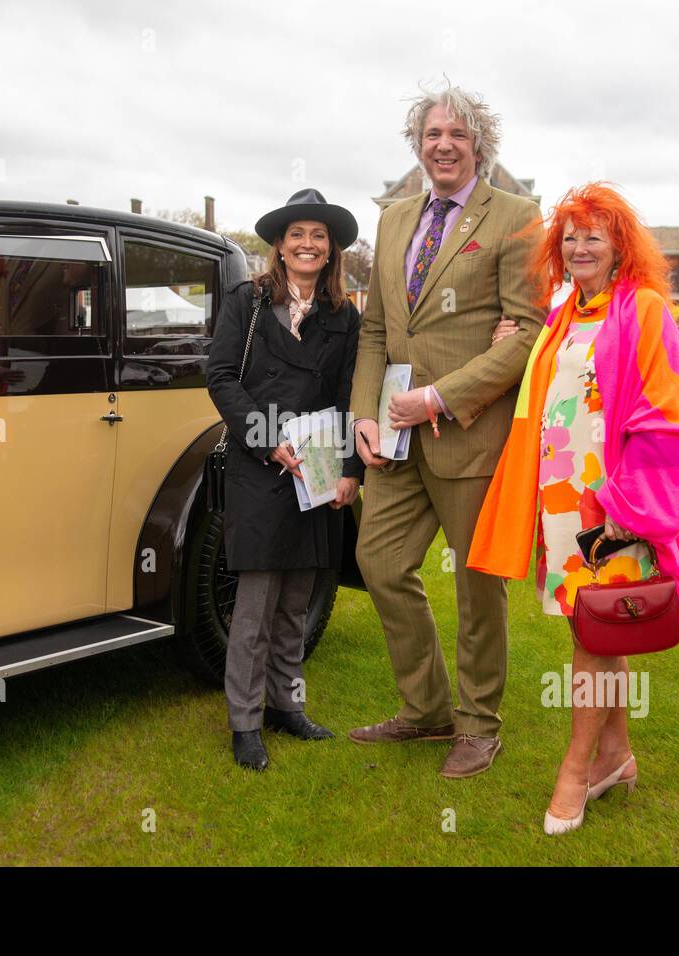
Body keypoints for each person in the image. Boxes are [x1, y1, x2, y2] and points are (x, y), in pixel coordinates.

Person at [473, 183, 679, 834]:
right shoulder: (561, 318)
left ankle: (576, 769)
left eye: (593, 236)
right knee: (603, 628)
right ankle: (617, 755)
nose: (579, 246)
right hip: (561, 504)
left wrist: (627, 504)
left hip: (613, 507)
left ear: (618, 246)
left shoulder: (647, 310)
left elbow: (672, 414)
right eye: (570, 236)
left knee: (589, 636)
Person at [346, 84, 544, 778]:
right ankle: (426, 710)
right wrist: (364, 413)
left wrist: (438, 397)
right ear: (418, 144)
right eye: (432, 134)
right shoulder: (395, 219)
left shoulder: (517, 217)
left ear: (479, 144)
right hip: (395, 441)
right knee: (380, 563)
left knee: (478, 584)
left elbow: (526, 336)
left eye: (458, 134)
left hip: (469, 434)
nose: (444, 145)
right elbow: (375, 329)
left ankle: (479, 724)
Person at [206, 188, 364, 771]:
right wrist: (267, 439)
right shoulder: (245, 302)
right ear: (279, 245)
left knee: (297, 602)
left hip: (318, 471)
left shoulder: (345, 316)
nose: (307, 244)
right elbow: (221, 376)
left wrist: (349, 470)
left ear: (331, 250)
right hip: (262, 466)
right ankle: (245, 724)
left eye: (318, 236)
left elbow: (350, 394)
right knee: (255, 606)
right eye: (297, 234)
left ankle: (286, 706)